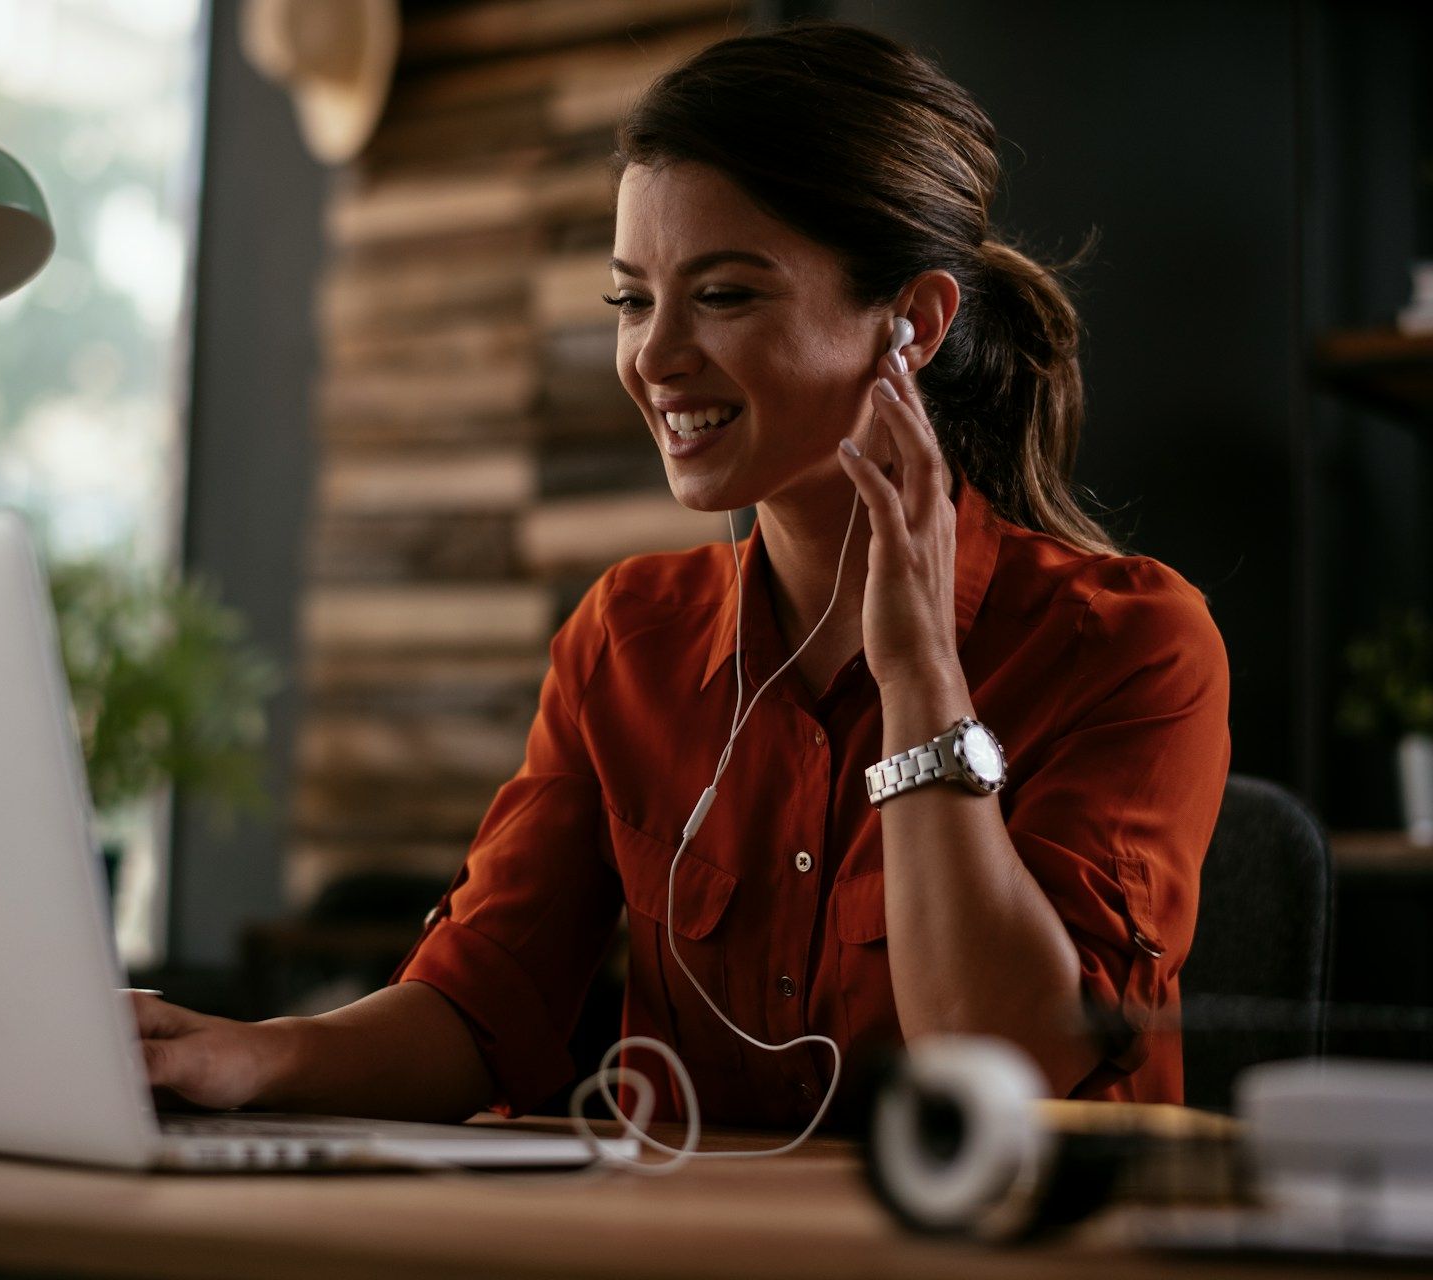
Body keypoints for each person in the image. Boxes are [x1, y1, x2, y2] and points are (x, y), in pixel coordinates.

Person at [132, 21, 1231, 1128]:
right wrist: (245, 1055)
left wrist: (919, 677)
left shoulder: (1131, 643)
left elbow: (1009, 1066)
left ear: (914, 324)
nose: (655, 356)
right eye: (631, 299)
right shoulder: (627, 637)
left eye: (725, 295)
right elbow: (478, 1010)